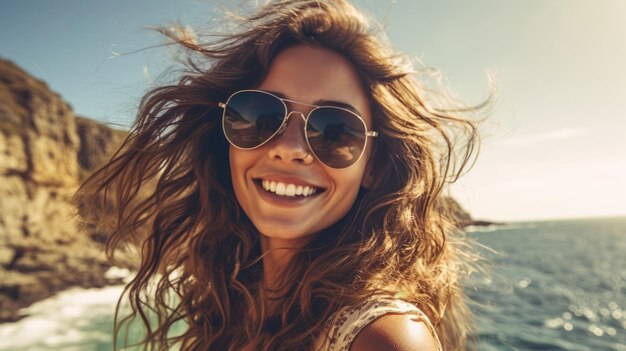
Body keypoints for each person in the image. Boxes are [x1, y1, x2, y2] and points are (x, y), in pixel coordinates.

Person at [77, 0, 487, 350]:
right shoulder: (231, 306)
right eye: (260, 116)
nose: (289, 147)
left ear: (374, 167)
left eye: (335, 130)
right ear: (227, 141)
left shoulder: (381, 337)